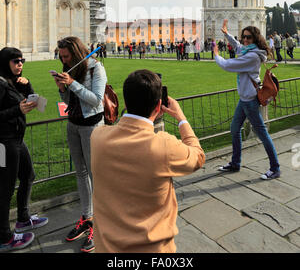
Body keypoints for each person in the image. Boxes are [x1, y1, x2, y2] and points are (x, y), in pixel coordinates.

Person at [91, 69, 205, 253]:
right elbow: (198, 157)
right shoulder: (163, 145)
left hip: (107, 247)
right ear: (159, 106)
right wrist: (181, 118)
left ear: (126, 102)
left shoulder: (97, 137)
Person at [53, 37, 107, 253]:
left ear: (76, 53)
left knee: (96, 175)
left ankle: (102, 225)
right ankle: (87, 218)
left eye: (66, 56)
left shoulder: (96, 68)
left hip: (92, 126)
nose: (64, 61)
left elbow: (96, 100)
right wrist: (62, 89)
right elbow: (69, 103)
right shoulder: (69, 68)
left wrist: (72, 84)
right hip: (73, 124)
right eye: (61, 57)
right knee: (81, 173)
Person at [213, 20, 280, 180]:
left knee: (262, 133)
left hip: (249, 100)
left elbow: (229, 65)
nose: (245, 40)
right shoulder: (250, 50)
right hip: (245, 99)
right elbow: (238, 47)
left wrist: (216, 55)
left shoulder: (252, 56)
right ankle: (235, 163)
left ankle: (275, 168)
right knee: (235, 129)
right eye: (244, 37)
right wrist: (227, 34)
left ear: (255, 39)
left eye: (248, 37)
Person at [0, 47, 48, 253]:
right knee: (5, 188)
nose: (20, 64)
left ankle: (23, 218)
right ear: (5, 63)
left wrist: (28, 86)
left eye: (22, 61)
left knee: (28, 175)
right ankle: (4, 237)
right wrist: (16, 110)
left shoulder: (13, 81)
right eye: (16, 61)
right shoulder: (0, 84)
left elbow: (35, 102)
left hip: (17, 139)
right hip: (4, 142)